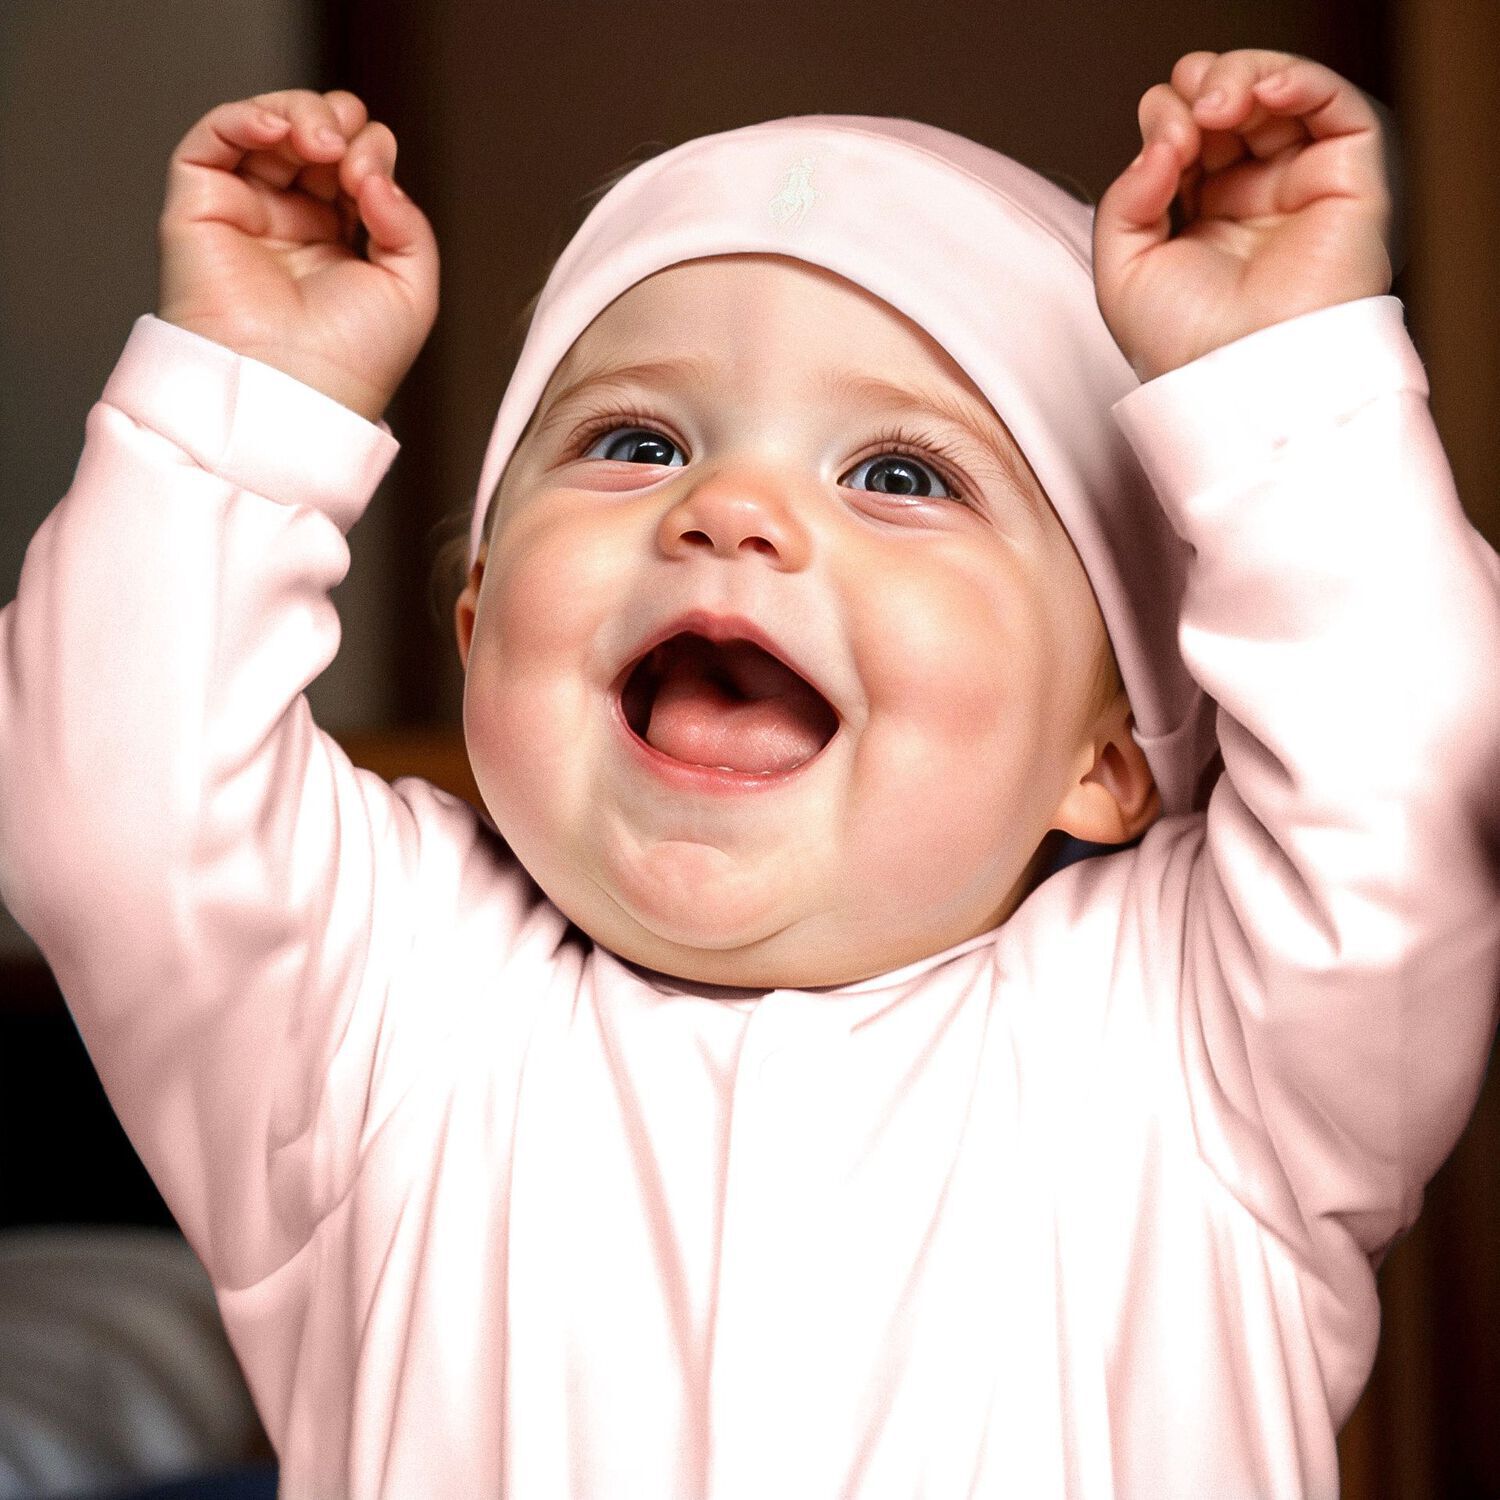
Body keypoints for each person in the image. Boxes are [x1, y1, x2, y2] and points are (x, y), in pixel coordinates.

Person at [2, 45, 1497, 1500]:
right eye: (636, 441)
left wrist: (1286, 391)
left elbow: (1416, 784)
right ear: (474, 642)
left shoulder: (1207, 1054)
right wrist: (249, 402)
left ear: (1106, 757)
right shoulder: (376, 1016)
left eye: (901, 476)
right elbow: (116, 800)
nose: (732, 508)